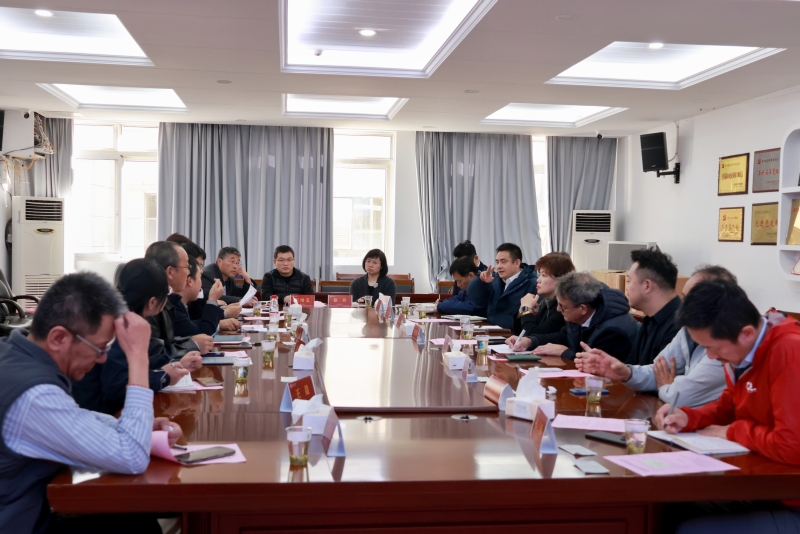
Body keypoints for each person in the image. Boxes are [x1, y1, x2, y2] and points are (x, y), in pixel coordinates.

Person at [0, 272, 183, 534]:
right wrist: (138, 358)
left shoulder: (12, 353)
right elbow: (131, 456)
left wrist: (129, 425)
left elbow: (71, 416)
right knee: (138, 526)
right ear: (59, 338)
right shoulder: (35, 396)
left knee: (136, 522)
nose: (102, 359)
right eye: (99, 348)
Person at [654, 280, 800, 533]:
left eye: (712, 348)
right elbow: (728, 405)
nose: (710, 357)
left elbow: (792, 446)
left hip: (790, 500)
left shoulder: (789, 352)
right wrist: (688, 417)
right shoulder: (742, 352)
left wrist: (733, 431)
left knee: (691, 530)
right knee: (666, 511)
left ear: (746, 333)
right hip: (765, 490)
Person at [576, 265, 734, 408]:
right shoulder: (687, 330)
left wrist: (665, 387)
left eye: (692, 299)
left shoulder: (725, 345)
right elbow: (656, 371)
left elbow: (681, 397)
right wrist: (626, 373)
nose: (684, 305)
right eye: (685, 297)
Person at [72, 259, 201, 415]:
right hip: (98, 414)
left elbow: (130, 364)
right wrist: (164, 376)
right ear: (152, 302)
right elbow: (118, 386)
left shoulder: (115, 313)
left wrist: (175, 364)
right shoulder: (120, 326)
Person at [525, 271, 639, 360]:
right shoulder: (579, 314)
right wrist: (531, 341)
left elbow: (599, 366)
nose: (558, 309)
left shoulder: (613, 331)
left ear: (582, 309)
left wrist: (565, 352)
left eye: (562, 306)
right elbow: (563, 336)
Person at [145, 241, 214, 357]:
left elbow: (167, 340)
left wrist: (190, 340)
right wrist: (193, 345)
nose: (188, 272)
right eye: (186, 267)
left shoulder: (165, 299)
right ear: (170, 272)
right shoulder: (148, 303)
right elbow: (153, 354)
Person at [508, 252, 575, 344]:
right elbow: (519, 334)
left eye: (543, 275)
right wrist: (521, 312)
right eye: (539, 275)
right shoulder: (545, 303)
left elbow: (534, 336)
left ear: (561, 279)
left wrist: (526, 310)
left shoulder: (562, 308)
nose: (538, 280)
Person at [467, 243, 538, 329]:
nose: (499, 266)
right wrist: (480, 281)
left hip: (511, 333)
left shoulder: (531, 283)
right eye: (497, 262)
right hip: (490, 329)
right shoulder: (493, 279)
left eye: (503, 261)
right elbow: (474, 299)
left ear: (517, 263)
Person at [172, 257, 240, 336]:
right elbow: (203, 331)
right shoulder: (174, 306)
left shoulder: (181, 303)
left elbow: (190, 324)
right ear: (190, 281)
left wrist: (218, 323)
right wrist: (212, 300)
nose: (202, 283)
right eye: (200, 277)